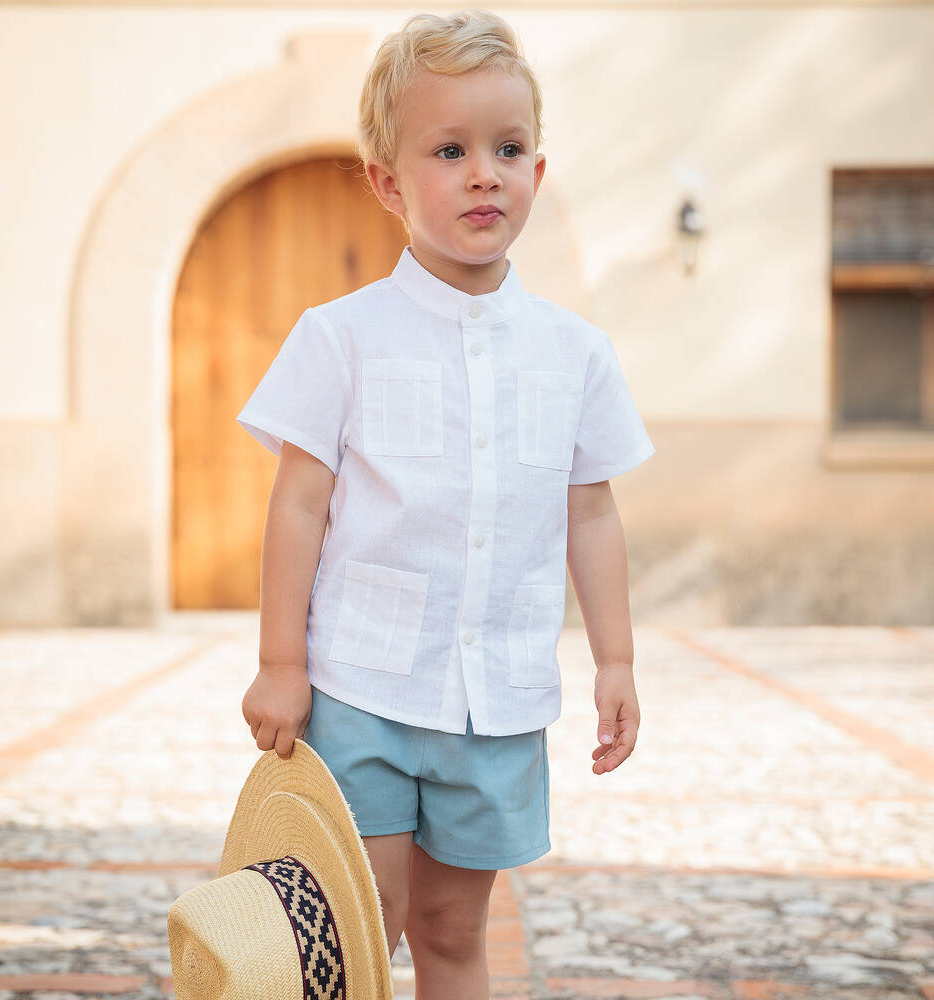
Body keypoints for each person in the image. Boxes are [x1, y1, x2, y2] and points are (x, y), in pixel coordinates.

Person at [237, 9, 656, 999]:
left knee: (454, 925)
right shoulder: (341, 339)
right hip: (362, 688)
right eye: (450, 149)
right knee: (360, 922)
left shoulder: (574, 353)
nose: (484, 172)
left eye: (508, 149)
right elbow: (297, 506)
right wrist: (278, 663)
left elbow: (589, 513)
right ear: (388, 181)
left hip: (499, 700)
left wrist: (617, 657)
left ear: (537, 175)